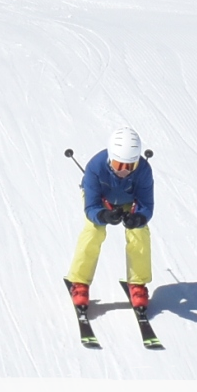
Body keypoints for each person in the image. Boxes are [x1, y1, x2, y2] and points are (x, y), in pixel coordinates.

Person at [65, 127, 154, 311]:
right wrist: (103, 215)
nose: (124, 171)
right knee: (93, 231)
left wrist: (137, 218)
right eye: (118, 165)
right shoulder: (95, 167)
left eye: (130, 166)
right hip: (101, 202)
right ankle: (80, 282)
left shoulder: (144, 170)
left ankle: (137, 284)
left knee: (139, 233)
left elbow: (146, 204)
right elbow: (91, 206)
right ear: (110, 158)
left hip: (128, 201)